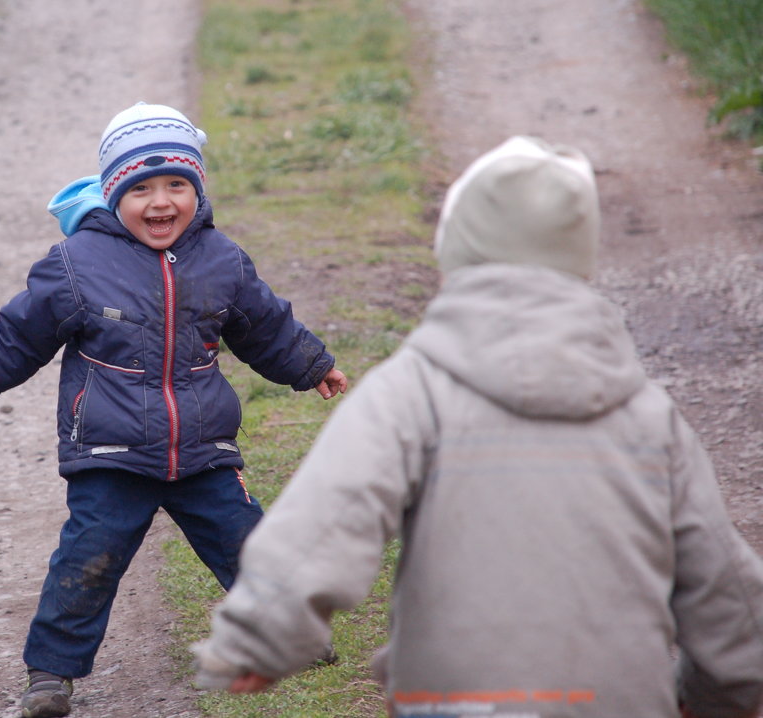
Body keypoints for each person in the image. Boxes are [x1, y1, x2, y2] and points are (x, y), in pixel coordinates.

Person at [191, 136, 763, 718]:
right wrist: (717, 691)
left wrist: (260, 635)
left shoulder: (411, 392)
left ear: (456, 254)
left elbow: (329, 515)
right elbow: (725, 588)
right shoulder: (648, 416)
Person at [0, 103, 348, 718]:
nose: (160, 203)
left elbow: (265, 327)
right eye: (141, 189)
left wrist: (312, 365)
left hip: (203, 448)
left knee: (249, 544)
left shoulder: (222, 260)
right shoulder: (78, 265)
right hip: (110, 452)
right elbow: (23, 330)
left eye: (176, 185)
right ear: (113, 193)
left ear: (197, 189)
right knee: (88, 561)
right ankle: (51, 675)